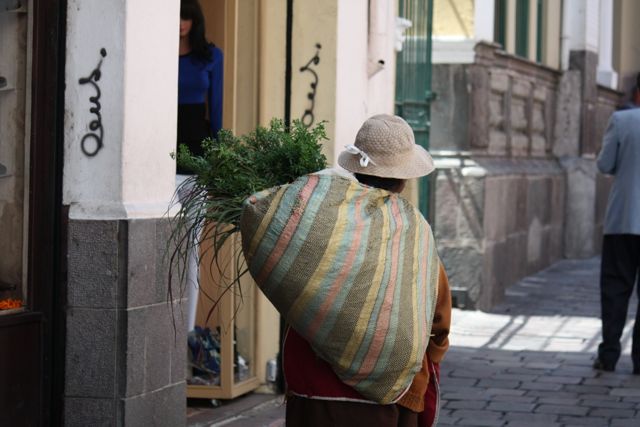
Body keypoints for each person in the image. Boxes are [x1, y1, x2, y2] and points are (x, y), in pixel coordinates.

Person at [283, 115, 452, 426]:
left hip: (316, 386)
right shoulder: (414, 230)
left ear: (356, 170)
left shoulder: (321, 219)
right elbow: (438, 316)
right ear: (404, 179)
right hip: (389, 395)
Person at [177, 0, 223, 335]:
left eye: (187, 18)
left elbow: (216, 109)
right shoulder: (155, 52)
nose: (181, 23)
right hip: (156, 156)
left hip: (197, 157)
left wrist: (218, 161)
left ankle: (189, 330)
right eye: (177, 16)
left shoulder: (210, 57)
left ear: (196, 21)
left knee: (190, 246)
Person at [593, 73, 640, 375]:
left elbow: (605, 164)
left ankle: (609, 354)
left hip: (624, 219)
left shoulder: (623, 122)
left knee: (615, 289)